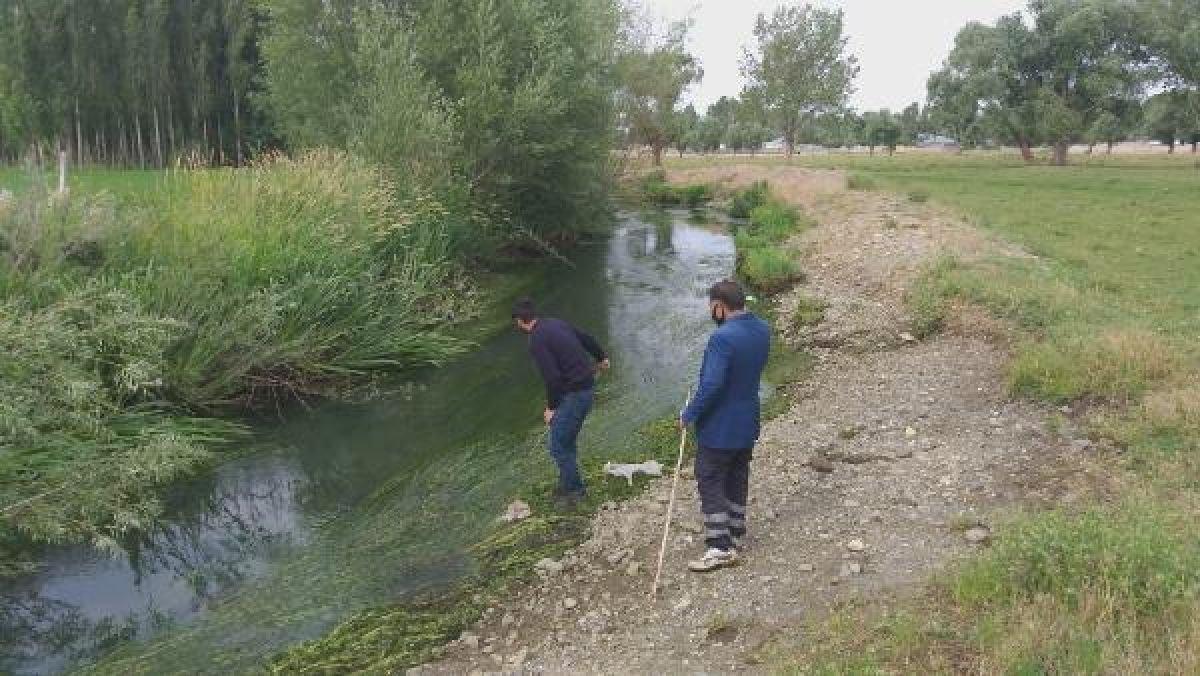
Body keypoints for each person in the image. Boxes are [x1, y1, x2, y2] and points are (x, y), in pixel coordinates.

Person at [679, 280, 770, 572]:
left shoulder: (722, 338)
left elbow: (713, 384)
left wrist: (689, 413)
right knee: (737, 472)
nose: (711, 312)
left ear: (719, 306)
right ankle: (735, 530)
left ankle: (719, 546)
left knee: (709, 476)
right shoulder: (762, 329)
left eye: (712, 307)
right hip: (748, 419)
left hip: (721, 426)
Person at [513, 298, 610, 507]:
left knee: (557, 446)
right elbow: (586, 338)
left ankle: (576, 492)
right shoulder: (555, 323)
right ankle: (568, 482)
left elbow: (553, 379)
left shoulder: (536, 341)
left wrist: (551, 408)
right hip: (586, 388)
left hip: (574, 395)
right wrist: (601, 357)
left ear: (520, 321)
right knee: (566, 441)